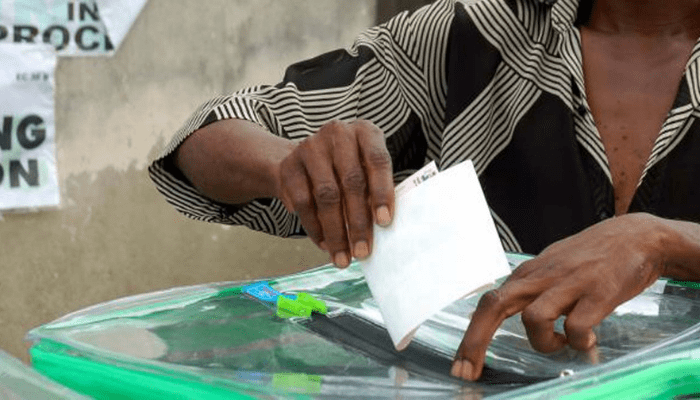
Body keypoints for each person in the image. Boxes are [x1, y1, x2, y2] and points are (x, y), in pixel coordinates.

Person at [149, 0, 700, 381]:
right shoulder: (472, 36)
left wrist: (661, 242)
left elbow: (656, 244)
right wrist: (292, 164)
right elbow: (208, 139)